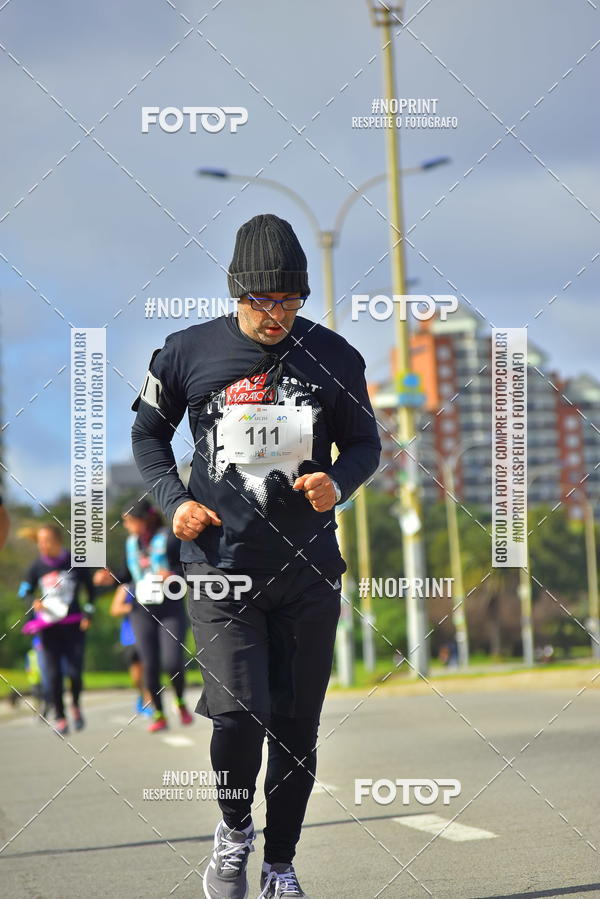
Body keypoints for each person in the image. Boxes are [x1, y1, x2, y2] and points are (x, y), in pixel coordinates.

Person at [131, 213, 381, 898]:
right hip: (221, 567)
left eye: (288, 300)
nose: (275, 314)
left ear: (302, 295)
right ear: (236, 294)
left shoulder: (335, 356)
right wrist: (172, 498)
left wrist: (341, 481)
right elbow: (148, 434)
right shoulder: (185, 352)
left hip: (307, 573)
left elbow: (366, 444)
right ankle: (235, 828)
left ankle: (280, 863)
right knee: (238, 713)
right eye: (261, 300)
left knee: (297, 727)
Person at [94, 499, 193, 732]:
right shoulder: (131, 544)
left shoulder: (169, 538)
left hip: (170, 608)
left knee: (172, 661)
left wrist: (173, 575)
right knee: (149, 664)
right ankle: (159, 713)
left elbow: (187, 567)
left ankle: (179, 701)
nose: (126, 526)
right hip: (142, 610)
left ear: (143, 519)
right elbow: (127, 575)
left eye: (129, 521)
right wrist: (111, 579)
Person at [20, 524, 95, 735]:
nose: (43, 546)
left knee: (74, 672)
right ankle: (61, 717)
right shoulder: (36, 566)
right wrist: (32, 600)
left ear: (58, 541)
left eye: (47, 541)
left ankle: (76, 705)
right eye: (40, 542)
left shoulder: (75, 563)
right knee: (52, 675)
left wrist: (88, 614)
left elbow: (91, 592)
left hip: (73, 625)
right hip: (48, 628)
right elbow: (24, 590)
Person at [109, 582, 153, 716]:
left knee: (149, 668)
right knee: (137, 676)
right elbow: (115, 609)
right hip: (130, 636)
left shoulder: (153, 583)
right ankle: (142, 693)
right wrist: (135, 606)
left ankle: (149, 700)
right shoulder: (126, 587)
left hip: (150, 634)